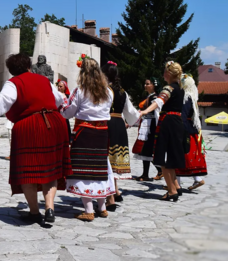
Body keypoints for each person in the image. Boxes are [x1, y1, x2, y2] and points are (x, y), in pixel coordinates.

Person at [0, 53, 71, 224]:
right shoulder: (43, 80)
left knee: (27, 171)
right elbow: (58, 99)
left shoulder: (14, 83)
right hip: (53, 123)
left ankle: (34, 212)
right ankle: (49, 208)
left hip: (30, 126)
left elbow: (3, 101)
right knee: (51, 169)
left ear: (11, 70)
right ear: (28, 66)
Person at [60, 57, 115, 222]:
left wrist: (61, 108)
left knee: (83, 170)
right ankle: (102, 207)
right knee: (99, 167)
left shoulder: (81, 90)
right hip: (103, 132)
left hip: (84, 131)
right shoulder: (108, 91)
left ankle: (89, 210)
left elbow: (69, 112)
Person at [139, 61, 186, 202]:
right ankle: (175, 187)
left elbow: (159, 101)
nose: (163, 74)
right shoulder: (181, 89)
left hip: (168, 123)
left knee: (163, 158)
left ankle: (171, 191)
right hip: (177, 122)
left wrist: (145, 111)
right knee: (170, 156)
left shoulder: (169, 88)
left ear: (169, 73)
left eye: (165, 71)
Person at [101, 62, 140, 210]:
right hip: (119, 123)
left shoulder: (105, 90)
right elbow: (131, 113)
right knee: (115, 159)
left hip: (107, 123)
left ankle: (110, 196)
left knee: (107, 160)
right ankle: (116, 191)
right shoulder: (123, 91)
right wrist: (138, 116)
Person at [175, 74, 207, 190]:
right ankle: (197, 179)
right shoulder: (193, 97)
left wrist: (178, 128)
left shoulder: (185, 98)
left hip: (184, 130)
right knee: (190, 156)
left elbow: (182, 115)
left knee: (179, 155)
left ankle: (176, 183)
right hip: (192, 130)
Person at [133, 78, 163, 181]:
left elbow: (156, 113)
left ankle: (160, 170)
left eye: (147, 84)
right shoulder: (149, 97)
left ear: (153, 85)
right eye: (145, 84)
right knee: (144, 150)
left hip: (151, 126)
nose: (145, 85)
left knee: (147, 149)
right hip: (146, 124)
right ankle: (147, 173)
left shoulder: (155, 98)